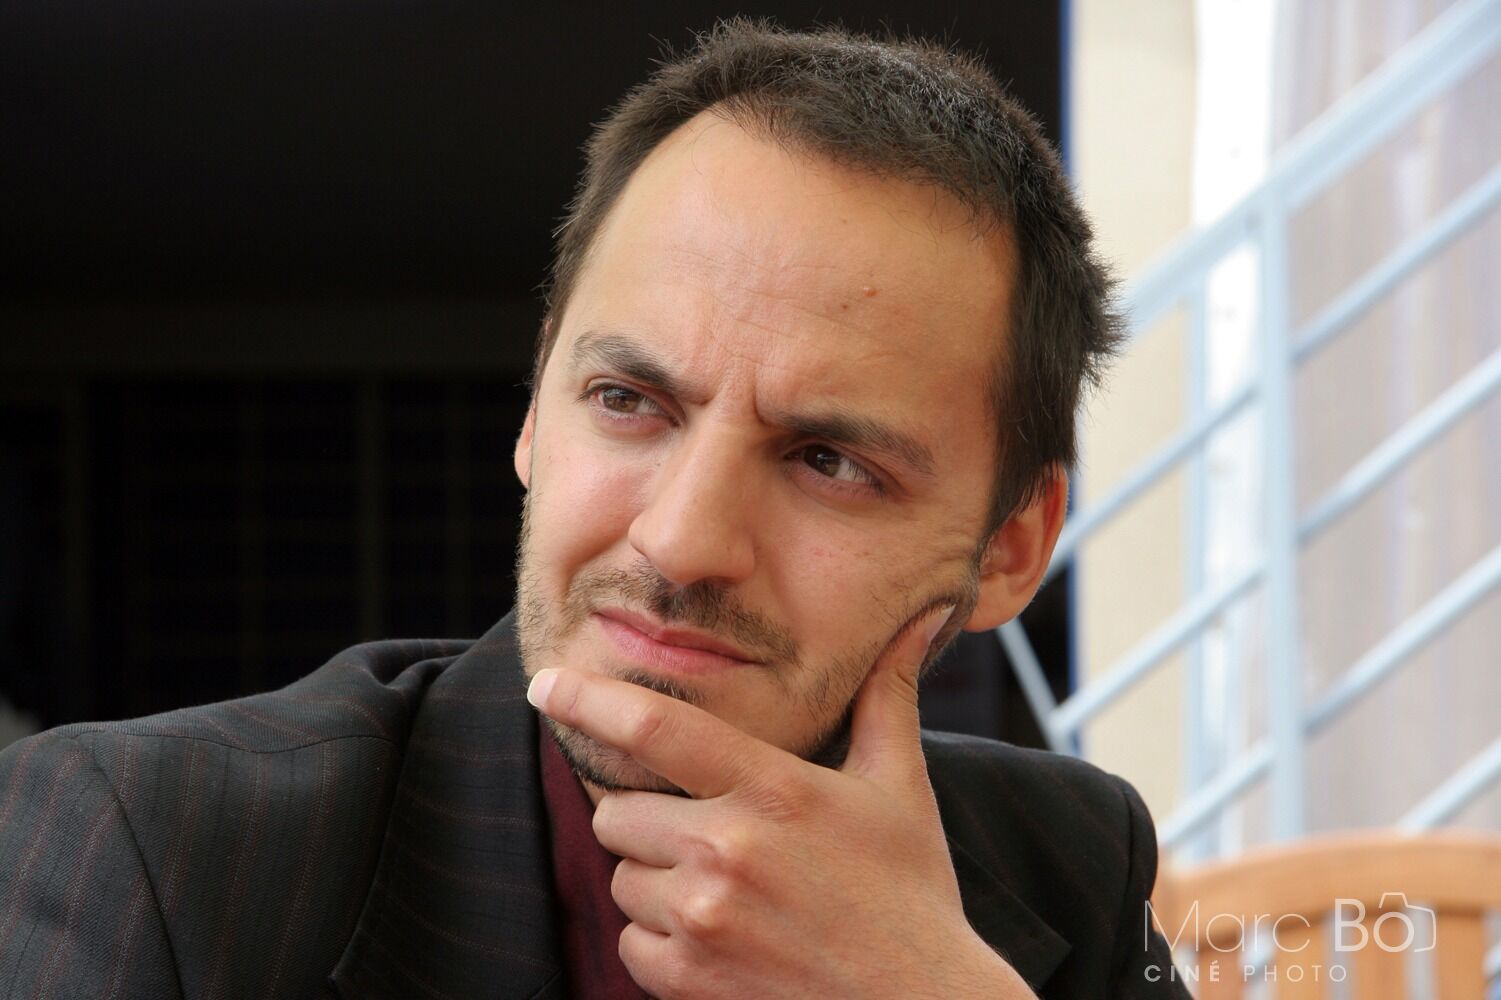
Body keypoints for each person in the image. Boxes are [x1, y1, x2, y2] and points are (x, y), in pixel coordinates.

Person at [0, 19, 1189, 999]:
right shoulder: (150, 847)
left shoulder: (1071, 860)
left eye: (828, 461)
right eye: (627, 401)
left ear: (1011, 545)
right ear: (536, 410)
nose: (679, 540)